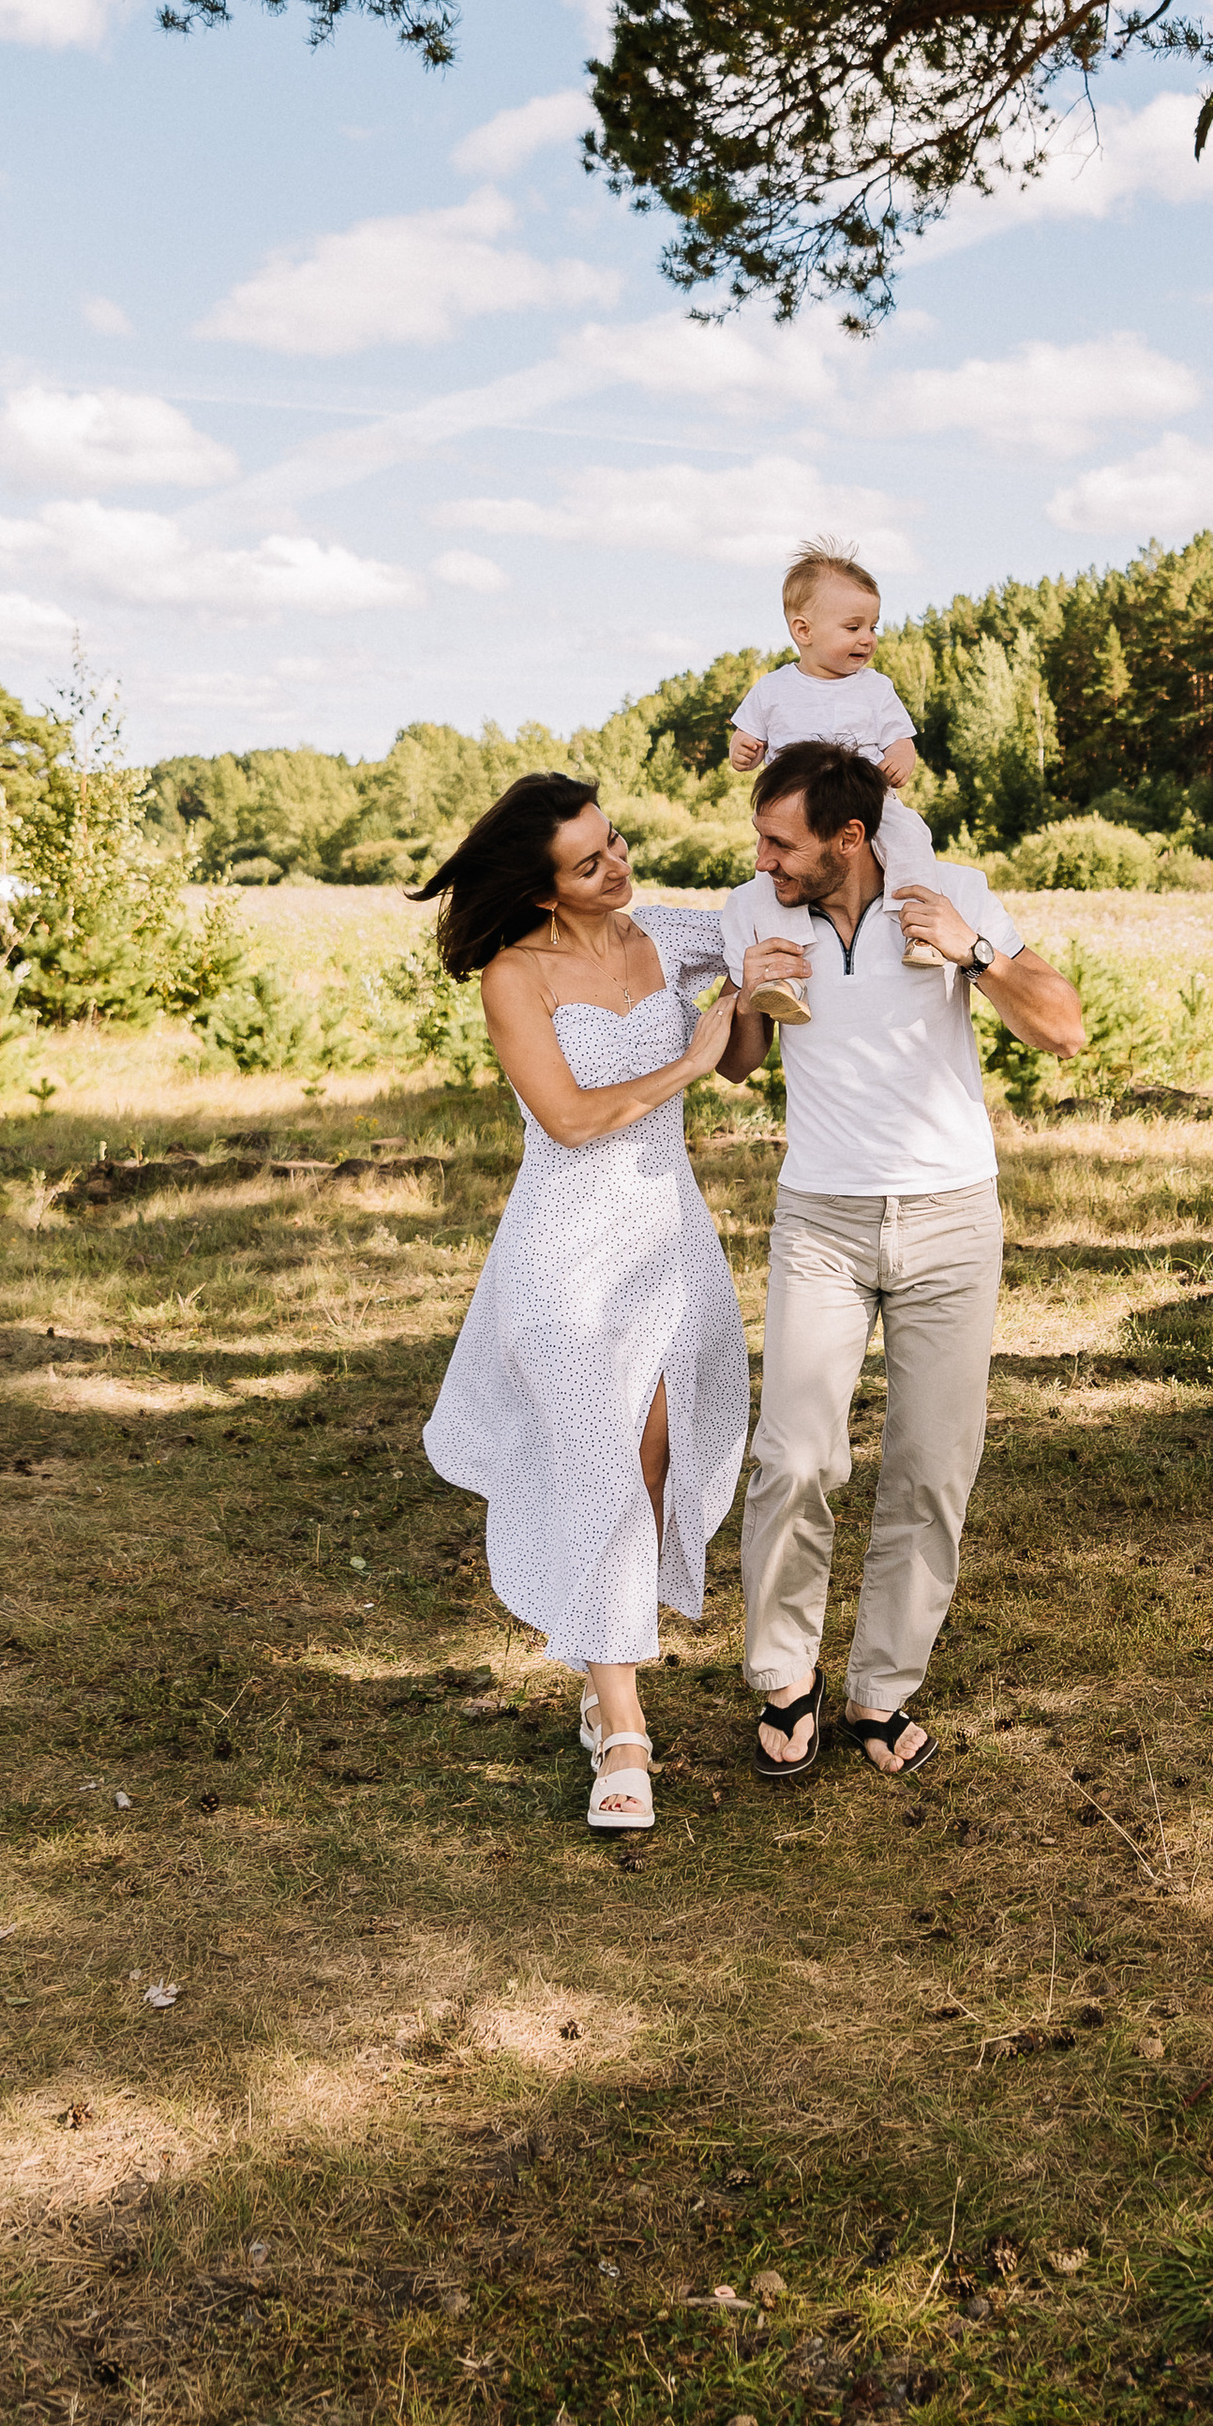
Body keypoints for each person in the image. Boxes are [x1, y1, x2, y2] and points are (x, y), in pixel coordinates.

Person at [723, 737, 1085, 1786]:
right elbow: (741, 1068)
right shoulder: (752, 909)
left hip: (950, 1221)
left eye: (781, 843)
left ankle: (880, 1690)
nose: (762, 860)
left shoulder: (949, 893)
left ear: (849, 837)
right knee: (795, 1457)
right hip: (820, 1223)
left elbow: (1062, 1029)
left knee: (930, 1467)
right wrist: (744, 997)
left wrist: (977, 952)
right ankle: (785, 1679)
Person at [415, 774, 748, 1836]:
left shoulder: (666, 936)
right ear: (541, 889)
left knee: (653, 1458)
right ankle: (625, 1729)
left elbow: (758, 952)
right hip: (564, 1251)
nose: (618, 867)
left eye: (617, 842)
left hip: (667, 1238)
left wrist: (756, 986)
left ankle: (601, 1681)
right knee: (602, 1459)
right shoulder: (515, 974)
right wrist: (691, 1060)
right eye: (590, 863)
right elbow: (564, 1118)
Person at [718, 544, 944, 1015]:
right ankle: (785, 977)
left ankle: (920, 929)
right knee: (774, 886)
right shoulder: (774, 688)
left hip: (870, 802)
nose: (867, 639)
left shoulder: (876, 688)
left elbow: (901, 739)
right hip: (798, 818)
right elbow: (746, 737)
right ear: (803, 631)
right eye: (853, 627)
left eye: (873, 627)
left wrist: (901, 758)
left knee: (911, 839)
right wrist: (743, 750)